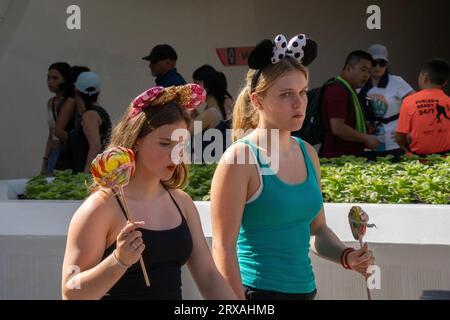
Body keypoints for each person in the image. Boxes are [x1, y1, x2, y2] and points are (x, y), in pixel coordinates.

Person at [210, 34, 375, 300]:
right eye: (286, 94)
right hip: (258, 295)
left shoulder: (307, 152)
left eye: (302, 92)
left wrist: (347, 256)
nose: (299, 103)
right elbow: (222, 248)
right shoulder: (240, 159)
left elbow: (317, 229)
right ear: (258, 101)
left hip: (307, 292)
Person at [61, 84, 237, 300]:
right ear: (136, 142)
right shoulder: (101, 207)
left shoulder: (181, 202)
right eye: (165, 144)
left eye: (181, 144)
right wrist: (119, 260)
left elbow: (209, 276)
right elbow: (71, 291)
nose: (176, 155)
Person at [359, 44, 415, 161]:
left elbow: (416, 104)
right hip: (368, 143)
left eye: (382, 63)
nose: (377, 67)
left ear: (386, 64)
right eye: (374, 63)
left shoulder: (396, 82)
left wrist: (409, 131)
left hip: (393, 142)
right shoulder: (360, 83)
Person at [320, 50, 380, 158]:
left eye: (369, 72)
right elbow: (338, 128)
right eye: (363, 70)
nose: (366, 76)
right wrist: (365, 138)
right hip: (337, 160)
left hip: (350, 158)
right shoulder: (338, 91)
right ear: (348, 68)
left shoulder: (350, 91)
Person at [396, 58, 450, 156]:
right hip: (446, 162)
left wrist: (406, 151)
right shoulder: (448, 101)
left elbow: (400, 137)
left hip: (420, 162)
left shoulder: (409, 101)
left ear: (424, 77)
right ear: (445, 82)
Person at [69, 71, 112, 173]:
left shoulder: (90, 115)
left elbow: (95, 147)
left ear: (76, 92)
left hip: (90, 173)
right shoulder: (100, 112)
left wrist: (86, 175)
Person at [41, 62, 76, 175]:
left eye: (55, 78)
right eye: (48, 78)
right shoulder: (50, 102)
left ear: (64, 80)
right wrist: (45, 159)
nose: (50, 82)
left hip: (65, 152)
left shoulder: (70, 101)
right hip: (53, 151)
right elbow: (51, 133)